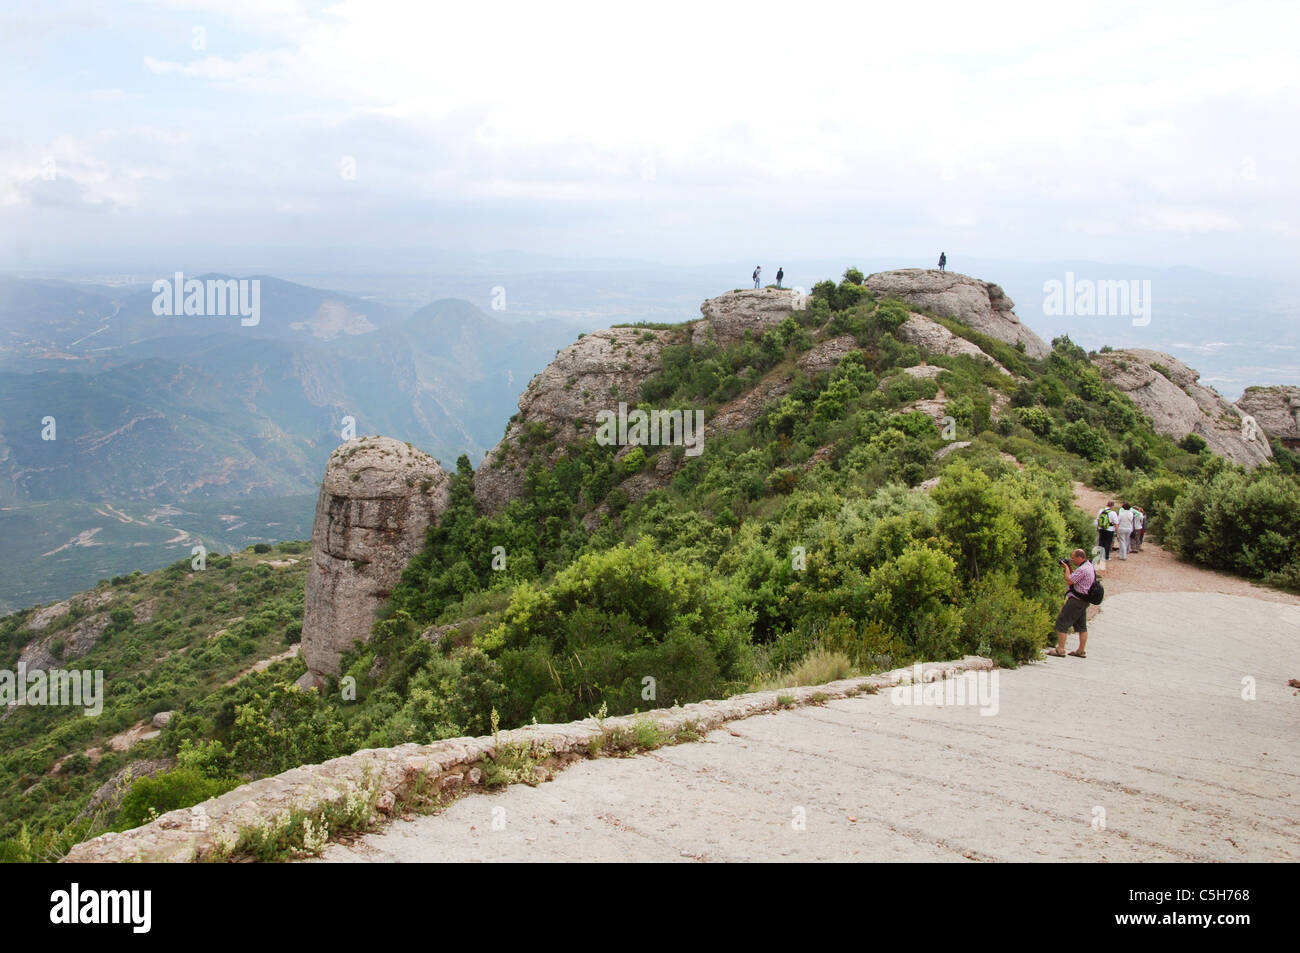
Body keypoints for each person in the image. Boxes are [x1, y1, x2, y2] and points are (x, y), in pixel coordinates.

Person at [1046, 549, 1095, 658]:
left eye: (1073, 558)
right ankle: (1081, 651)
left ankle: (1061, 649)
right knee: (1081, 626)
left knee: (1062, 622)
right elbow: (1076, 578)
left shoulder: (1083, 569)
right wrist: (1069, 567)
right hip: (1084, 601)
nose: (1072, 560)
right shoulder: (1089, 566)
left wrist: (1066, 568)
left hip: (1076, 601)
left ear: (1080, 557)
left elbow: (1069, 580)